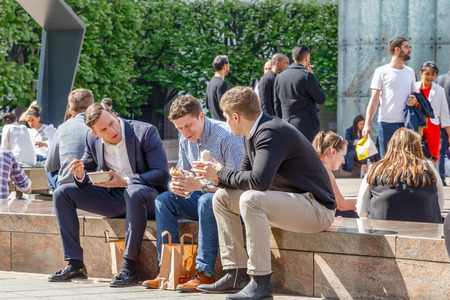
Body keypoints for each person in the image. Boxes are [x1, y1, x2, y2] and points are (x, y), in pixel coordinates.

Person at [192, 87, 336, 300]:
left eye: (225, 117)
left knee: (251, 200)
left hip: (317, 209)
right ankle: (236, 274)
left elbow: (258, 182)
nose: (226, 122)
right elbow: (242, 178)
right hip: (294, 203)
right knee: (222, 199)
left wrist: (221, 173)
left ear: (236, 116)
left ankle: (260, 283)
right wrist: (216, 176)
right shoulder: (251, 133)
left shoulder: (271, 132)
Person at [49, 103, 169, 287]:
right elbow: (87, 170)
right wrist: (80, 174)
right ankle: (75, 264)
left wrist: (126, 181)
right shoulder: (92, 139)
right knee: (61, 193)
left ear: (113, 114)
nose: (112, 130)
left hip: (147, 197)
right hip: (115, 199)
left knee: (133, 191)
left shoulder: (145, 132)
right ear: (95, 133)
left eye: (112, 123)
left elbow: (161, 173)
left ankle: (128, 267)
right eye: (104, 129)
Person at [142, 95, 244, 292]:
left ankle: (205, 273)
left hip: (230, 202)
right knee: (164, 200)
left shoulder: (227, 136)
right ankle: (167, 269)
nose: (185, 132)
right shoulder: (185, 138)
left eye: (188, 125)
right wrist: (175, 185)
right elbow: (183, 170)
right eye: (180, 128)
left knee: (207, 200)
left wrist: (199, 186)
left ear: (201, 116)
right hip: (203, 197)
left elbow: (237, 184)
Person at [357, 128, 443, 223]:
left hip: (382, 232)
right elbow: (440, 204)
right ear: (417, 147)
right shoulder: (429, 168)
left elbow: (361, 209)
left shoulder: (375, 169)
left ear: (391, 145)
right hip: (426, 231)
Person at [362, 37, 418, 158]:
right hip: (386, 124)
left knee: (406, 161)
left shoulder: (410, 72)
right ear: (397, 49)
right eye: (407, 47)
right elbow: (374, 99)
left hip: (407, 124)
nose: (409, 50)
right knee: (387, 161)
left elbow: (416, 95)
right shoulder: (381, 71)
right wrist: (367, 124)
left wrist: (415, 100)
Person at [45, 88, 94, 192]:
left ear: (71, 111)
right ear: (92, 107)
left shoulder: (62, 127)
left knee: (50, 173)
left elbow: (50, 166)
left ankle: (60, 197)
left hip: (68, 185)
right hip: (94, 183)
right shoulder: (98, 125)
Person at [274, 45, 326, 142]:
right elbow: (321, 98)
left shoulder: (279, 77)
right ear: (307, 58)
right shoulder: (307, 76)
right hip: (306, 129)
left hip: (286, 126)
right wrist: (313, 77)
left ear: (293, 58)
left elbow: (277, 105)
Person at [312, 131, 358, 218]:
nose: (344, 161)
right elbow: (342, 205)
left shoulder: (315, 164)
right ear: (333, 152)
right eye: (343, 155)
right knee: (351, 214)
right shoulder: (325, 171)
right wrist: (367, 202)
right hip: (316, 217)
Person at [416, 62, 450, 163]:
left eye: (433, 74)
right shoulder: (413, 87)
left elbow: (444, 114)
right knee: (417, 159)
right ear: (421, 73)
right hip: (416, 129)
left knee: (433, 159)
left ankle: (433, 178)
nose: (430, 77)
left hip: (433, 130)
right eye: (427, 74)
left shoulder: (439, 90)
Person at [436, 66, 450, 185]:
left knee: (440, 149)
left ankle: (440, 176)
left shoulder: (439, 78)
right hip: (447, 117)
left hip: (438, 119)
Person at [205, 55, 229, 122]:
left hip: (215, 124)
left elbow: (207, 106)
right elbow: (227, 108)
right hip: (225, 125)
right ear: (224, 66)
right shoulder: (222, 83)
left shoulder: (210, 83)